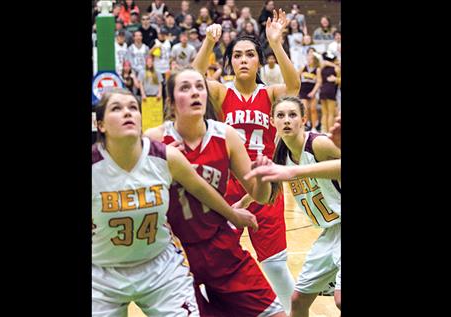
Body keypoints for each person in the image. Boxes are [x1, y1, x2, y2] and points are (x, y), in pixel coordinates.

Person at [92, 88, 258, 316]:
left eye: (132, 107)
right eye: (117, 109)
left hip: (160, 268)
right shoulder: (94, 166)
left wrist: (233, 214)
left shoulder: (164, 157)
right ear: (100, 124)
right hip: (102, 274)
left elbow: (200, 188)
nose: (127, 113)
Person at [145, 67, 287, 317]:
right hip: (175, 255)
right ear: (170, 101)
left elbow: (260, 196)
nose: (195, 93)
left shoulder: (226, 135)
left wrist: (263, 178)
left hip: (220, 246)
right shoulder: (154, 141)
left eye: (200, 87)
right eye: (185, 88)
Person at [192, 9, 300, 314]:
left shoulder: (271, 93)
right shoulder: (221, 91)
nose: (243, 59)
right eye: (237, 55)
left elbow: (294, 87)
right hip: (227, 188)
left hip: (266, 186)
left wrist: (276, 45)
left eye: (250, 54)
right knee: (218, 262)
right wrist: (208, 44)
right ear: (230, 62)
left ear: (258, 61)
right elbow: (195, 76)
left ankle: (292, 312)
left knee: (276, 264)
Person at [245, 96, 341, 317]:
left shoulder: (317, 144)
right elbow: (266, 196)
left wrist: (295, 173)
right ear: (272, 122)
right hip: (330, 232)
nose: (286, 120)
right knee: (297, 301)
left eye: (292, 115)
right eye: (280, 115)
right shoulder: (281, 155)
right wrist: (238, 205)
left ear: (303, 120)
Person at [299, 48, 321, 132]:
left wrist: (313, 92)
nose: (309, 59)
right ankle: (306, 124)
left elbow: (318, 82)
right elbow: (296, 77)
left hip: (312, 91)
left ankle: (314, 127)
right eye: (308, 57)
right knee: (304, 108)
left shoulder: (317, 69)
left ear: (314, 59)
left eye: (311, 58)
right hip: (303, 90)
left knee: (313, 109)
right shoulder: (303, 67)